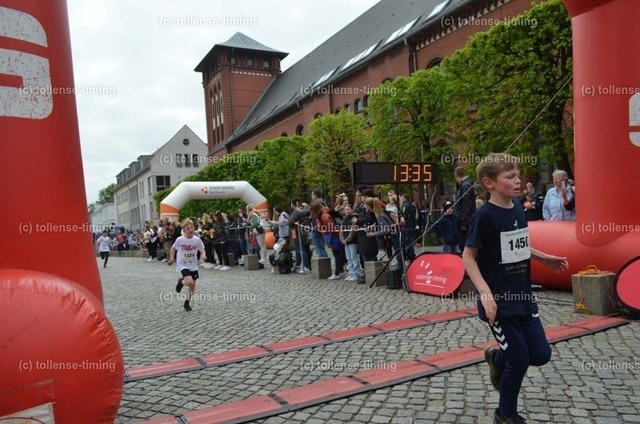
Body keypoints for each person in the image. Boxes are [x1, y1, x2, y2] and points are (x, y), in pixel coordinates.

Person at [462, 153, 569, 423]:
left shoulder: (518, 208)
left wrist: (543, 257)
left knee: (540, 355)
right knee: (519, 360)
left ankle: (497, 359)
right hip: (500, 303)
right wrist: (486, 294)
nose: (518, 180)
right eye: (510, 177)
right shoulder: (484, 216)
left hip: (524, 298)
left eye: (518, 175)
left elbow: (518, 244)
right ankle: (505, 414)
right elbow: (468, 257)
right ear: (489, 183)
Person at [168, 218, 207, 312]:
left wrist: (203, 256)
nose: (190, 229)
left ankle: (187, 302)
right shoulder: (180, 239)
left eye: (192, 227)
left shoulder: (197, 240)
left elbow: (202, 249)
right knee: (189, 282)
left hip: (193, 265)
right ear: (184, 230)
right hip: (183, 264)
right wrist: (172, 258)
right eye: (188, 228)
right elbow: (173, 248)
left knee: (192, 286)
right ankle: (181, 282)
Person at [339, 204, 364, 282]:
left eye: (348, 209)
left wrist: (347, 239)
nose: (347, 211)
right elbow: (341, 230)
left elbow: (353, 231)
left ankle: (356, 273)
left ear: (351, 210)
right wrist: (342, 239)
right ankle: (351, 273)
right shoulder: (344, 219)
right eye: (346, 210)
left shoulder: (354, 218)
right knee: (348, 258)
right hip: (345, 241)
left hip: (352, 241)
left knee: (354, 258)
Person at [454, 166, 477, 252]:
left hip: (465, 221)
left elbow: (467, 204)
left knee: (465, 245)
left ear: (456, 175)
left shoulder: (465, 185)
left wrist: (464, 221)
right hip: (465, 219)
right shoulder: (466, 184)